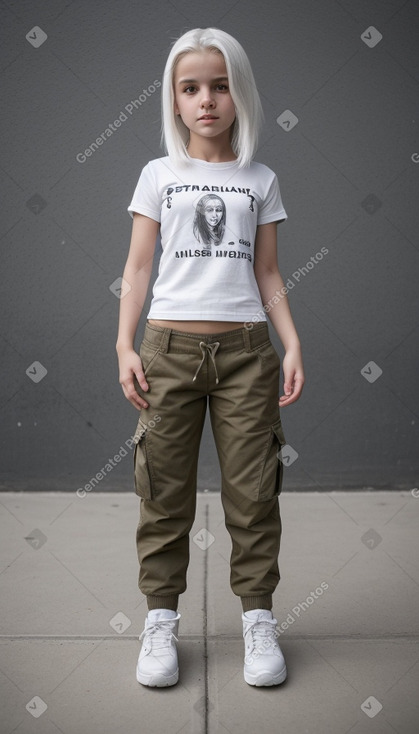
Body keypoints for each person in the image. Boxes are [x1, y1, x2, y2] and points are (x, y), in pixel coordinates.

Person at [116, 27, 304, 688]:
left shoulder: (260, 180)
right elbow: (138, 269)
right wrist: (124, 344)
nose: (206, 100)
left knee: (253, 495)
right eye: (190, 87)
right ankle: (160, 621)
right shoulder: (158, 176)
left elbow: (268, 273)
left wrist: (290, 342)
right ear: (172, 98)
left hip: (247, 355)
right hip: (167, 350)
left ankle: (257, 620)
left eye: (219, 86)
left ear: (238, 94)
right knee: (161, 494)